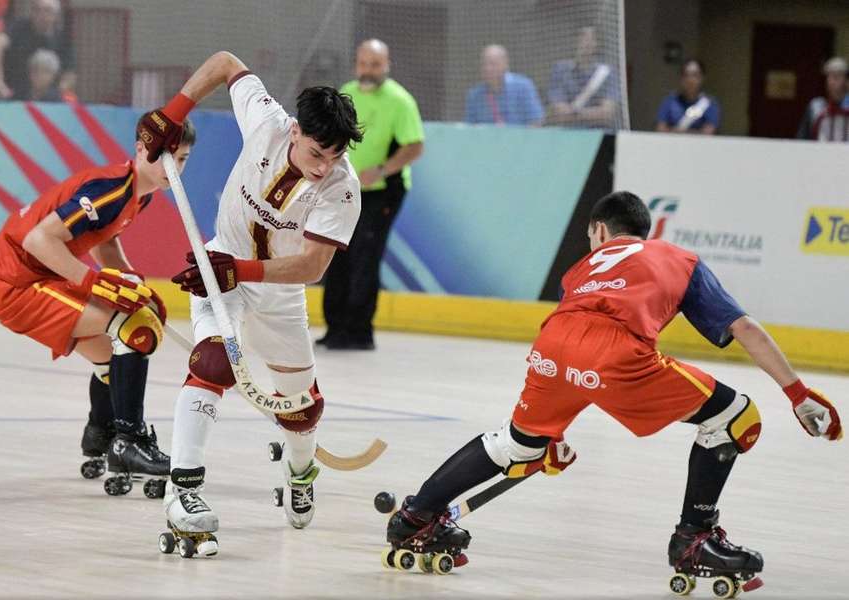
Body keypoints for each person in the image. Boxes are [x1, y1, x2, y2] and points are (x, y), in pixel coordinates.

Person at [385, 191, 842, 586]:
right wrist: (798, 394)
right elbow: (743, 327)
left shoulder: (582, 269)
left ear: (600, 231)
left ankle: (415, 517)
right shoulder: (678, 258)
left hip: (552, 342)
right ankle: (693, 538)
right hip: (616, 353)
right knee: (735, 416)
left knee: (518, 444)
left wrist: (550, 440)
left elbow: (575, 358)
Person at [141, 50, 362, 551]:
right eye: (316, 154)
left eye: (335, 157)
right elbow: (224, 62)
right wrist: (174, 113)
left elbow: (311, 267)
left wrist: (235, 270)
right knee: (214, 362)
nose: (325, 168)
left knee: (302, 411)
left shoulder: (342, 190)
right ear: (295, 133)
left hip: (279, 292)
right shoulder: (265, 120)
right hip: (223, 272)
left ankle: (300, 473)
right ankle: (183, 492)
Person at [0, 112, 195, 492]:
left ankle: (101, 434)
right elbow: (38, 241)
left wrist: (130, 280)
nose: (174, 167)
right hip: (19, 282)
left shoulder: (136, 193)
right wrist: (95, 283)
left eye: (181, 160)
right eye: (166, 156)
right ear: (141, 149)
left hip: (40, 273)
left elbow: (102, 237)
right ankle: (127, 441)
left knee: (111, 357)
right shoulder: (112, 189)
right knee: (137, 331)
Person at [318, 39, 424, 350]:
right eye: (364, 63)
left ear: (387, 64)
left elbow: (414, 146)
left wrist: (380, 170)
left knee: (365, 258)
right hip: (343, 188)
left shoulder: (400, 101)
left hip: (381, 192)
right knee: (336, 254)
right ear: (356, 64)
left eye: (375, 65)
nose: (368, 71)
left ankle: (359, 331)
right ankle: (335, 327)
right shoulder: (346, 91)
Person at [0, 0, 74, 100]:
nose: (41, 15)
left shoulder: (63, 40)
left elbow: (70, 74)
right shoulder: (19, 27)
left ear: (56, 15)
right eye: (37, 10)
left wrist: (56, 94)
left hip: (49, 98)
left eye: (47, 11)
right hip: (14, 93)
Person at [546, 26, 619, 129]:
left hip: (599, 134)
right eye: (583, 38)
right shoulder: (560, 69)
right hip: (568, 134)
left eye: (592, 39)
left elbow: (607, 113)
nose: (587, 43)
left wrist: (573, 113)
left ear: (598, 44)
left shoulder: (608, 73)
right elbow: (559, 112)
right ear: (575, 42)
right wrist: (593, 113)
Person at [465, 44, 543, 126]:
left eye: (493, 64)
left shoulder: (523, 86)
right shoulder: (474, 95)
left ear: (505, 65)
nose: (487, 68)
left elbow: (536, 121)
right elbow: (470, 128)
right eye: (484, 64)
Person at [656, 59, 720, 134]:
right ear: (681, 78)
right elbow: (660, 129)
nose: (690, 80)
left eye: (695, 75)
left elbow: (708, 132)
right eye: (686, 75)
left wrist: (675, 131)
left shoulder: (710, 104)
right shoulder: (669, 102)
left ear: (702, 78)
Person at [797, 56, 849, 142]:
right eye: (833, 77)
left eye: (842, 78)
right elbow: (802, 139)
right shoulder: (815, 107)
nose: (838, 84)